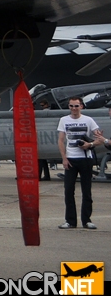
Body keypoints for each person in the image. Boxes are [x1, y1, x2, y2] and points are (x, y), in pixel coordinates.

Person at [57, 96, 101, 229]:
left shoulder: (88, 120)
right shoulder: (64, 120)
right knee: (69, 190)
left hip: (85, 158)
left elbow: (99, 138)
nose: (74, 109)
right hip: (71, 158)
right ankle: (70, 220)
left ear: (81, 106)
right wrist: (64, 158)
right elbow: (61, 140)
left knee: (86, 190)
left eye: (76, 106)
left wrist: (90, 144)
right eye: (71, 106)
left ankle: (86, 219)